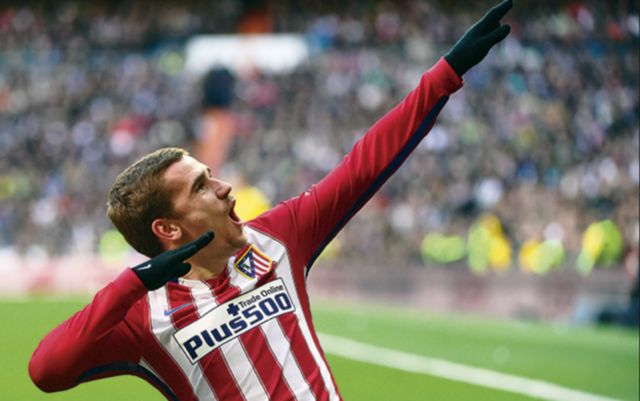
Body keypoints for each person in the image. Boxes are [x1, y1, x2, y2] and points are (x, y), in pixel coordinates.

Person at [29, 1, 513, 400]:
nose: (224, 188)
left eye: (210, 175)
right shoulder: (145, 316)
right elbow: (46, 370)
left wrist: (445, 73)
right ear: (168, 229)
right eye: (200, 186)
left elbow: (364, 164)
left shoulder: (278, 238)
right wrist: (132, 284)